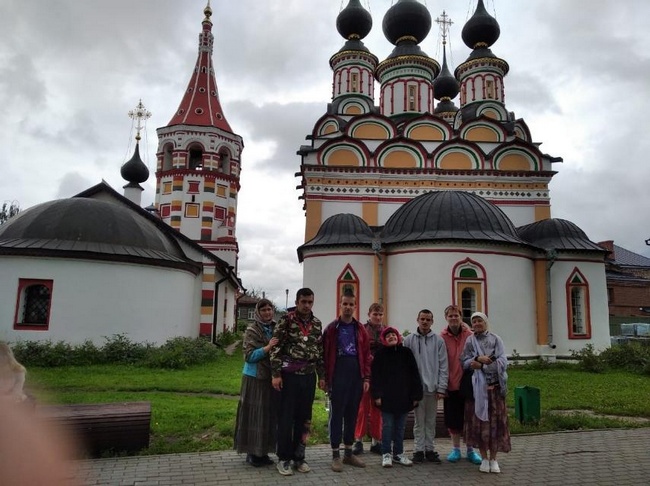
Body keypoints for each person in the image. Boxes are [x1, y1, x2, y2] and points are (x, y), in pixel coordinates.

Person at [270, 288, 325, 476]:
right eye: (304, 302)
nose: (307, 305)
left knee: (305, 419)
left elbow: (319, 351)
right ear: (297, 301)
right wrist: (276, 374)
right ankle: (284, 459)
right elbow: (275, 347)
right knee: (286, 418)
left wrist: (322, 376)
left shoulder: (317, 323)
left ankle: (299, 457)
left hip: (308, 377)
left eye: (310, 302)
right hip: (289, 377)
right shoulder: (286, 321)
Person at [322, 290, 371, 472]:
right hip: (338, 374)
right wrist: (326, 379)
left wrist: (366, 377)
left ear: (355, 306)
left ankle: (349, 453)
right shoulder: (331, 329)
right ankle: (335, 455)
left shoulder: (360, 329)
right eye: (345, 304)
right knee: (337, 415)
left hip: (356, 376)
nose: (348, 307)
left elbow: (366, 355)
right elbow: (325, 355)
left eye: (351, 304)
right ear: (340, 305)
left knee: (352, 414)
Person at [461, 311, 511, 474]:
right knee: (480, 425)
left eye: (479, 321)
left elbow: (503, 361)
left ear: (485, 322)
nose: (476, 324)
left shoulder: (495, 339)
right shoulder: (470, 340)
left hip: (495, 389)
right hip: (477, 390)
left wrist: (483, 366)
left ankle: (494, 459)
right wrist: (476, 359)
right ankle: (483, 458)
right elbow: (464, 361)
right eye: (473, 321)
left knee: (495, 424)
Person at [234, 299, 279, 467]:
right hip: (254, 378)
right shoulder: (252, 330)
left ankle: (263, 452)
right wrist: (268, 347)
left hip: (269, 377)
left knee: (266, 416)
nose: (267, 313)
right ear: (258, 312)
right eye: (264, 310)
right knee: (254, 416)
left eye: (270, 309)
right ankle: (252, 453)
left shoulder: (275, 328)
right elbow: (249, 356)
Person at [371, 327, 423, 468]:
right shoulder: (380, 354)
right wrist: (377, 395)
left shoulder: (406, 353)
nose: (391, 337)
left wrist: (416, 395)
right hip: (386, 398)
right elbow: (375, 376)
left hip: (404, 397)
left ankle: (398, 454)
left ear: (398, 337)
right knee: (387, 426)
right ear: (384, 339)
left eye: (393, 335)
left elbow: (414, 374)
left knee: (400, 427)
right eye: (388, 336)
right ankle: (386, 454)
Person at [403, 309, 448, 464]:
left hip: (433, 388)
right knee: (418, 422)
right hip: (416, 390)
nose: (425, 322)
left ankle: (429, 449)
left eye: (428, 319)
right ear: (417, 320)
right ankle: (418, 450)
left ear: (432, 322)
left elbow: (443, 365)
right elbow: (405, 366)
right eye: (422, 319)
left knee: (430, 421)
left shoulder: (438, 341)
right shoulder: (409, 340)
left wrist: (442, 387)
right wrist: (408, 388)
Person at [440, 305, 482, 465]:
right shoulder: (441, 337)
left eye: (456, 315)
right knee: (453, 419)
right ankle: (456, 449)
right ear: (446, 318)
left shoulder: (470, 335)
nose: (453, 318)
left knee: (469, 418)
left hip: (468, 384)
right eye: (450, 316)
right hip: (450, 383)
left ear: (461, 316)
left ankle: (471, 450)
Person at [352, 302, 385, 455]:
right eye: (375, 314)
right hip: (364, 375)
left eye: (380, 314)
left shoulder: (387, 331)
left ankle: (376, 440)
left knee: (378, 408)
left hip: (380, 377)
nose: (377, 317)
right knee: (362, 409)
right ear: (369, 315)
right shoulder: (362, 330)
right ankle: (358, 440)